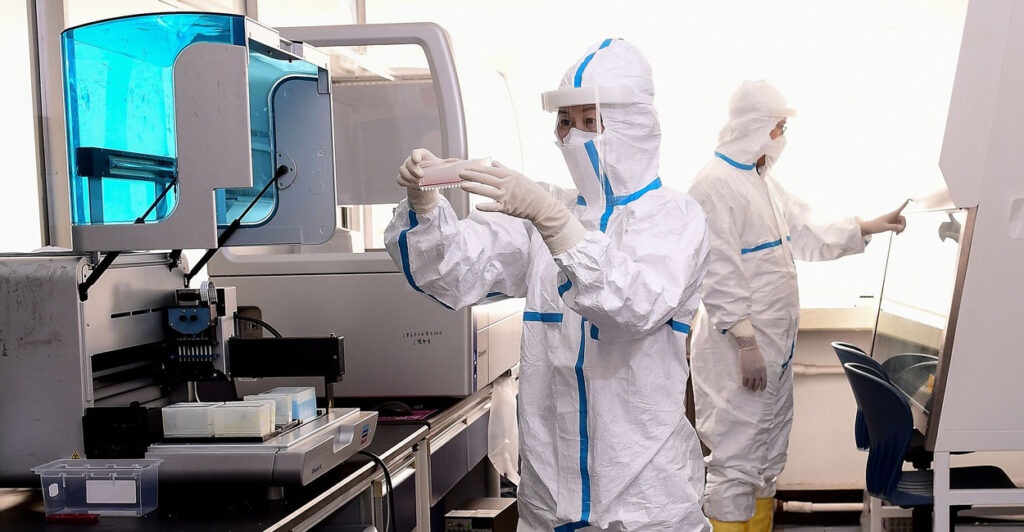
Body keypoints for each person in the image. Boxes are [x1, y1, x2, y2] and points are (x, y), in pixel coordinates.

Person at [384, 39, 712, 531]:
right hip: (549, 503)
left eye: (589, 121)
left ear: (633, 128)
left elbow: (634, 303)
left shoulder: (674, 218)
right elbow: (455, 270)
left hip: (645, 503)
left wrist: (553, 220)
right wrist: (425, 205)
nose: (572, 136)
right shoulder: (547, 212)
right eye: (565, 121)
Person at [687, 80, 908, 532]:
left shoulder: (761, 181)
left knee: (766, 455)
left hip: (773, 349)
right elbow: (718, 272)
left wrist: (869, 226)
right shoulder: (713, 185)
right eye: (778, 128)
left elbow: (805, 233)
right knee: (734, 459)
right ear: (754, 126)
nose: (782, 138)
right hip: (736, 351)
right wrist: (745, 341)